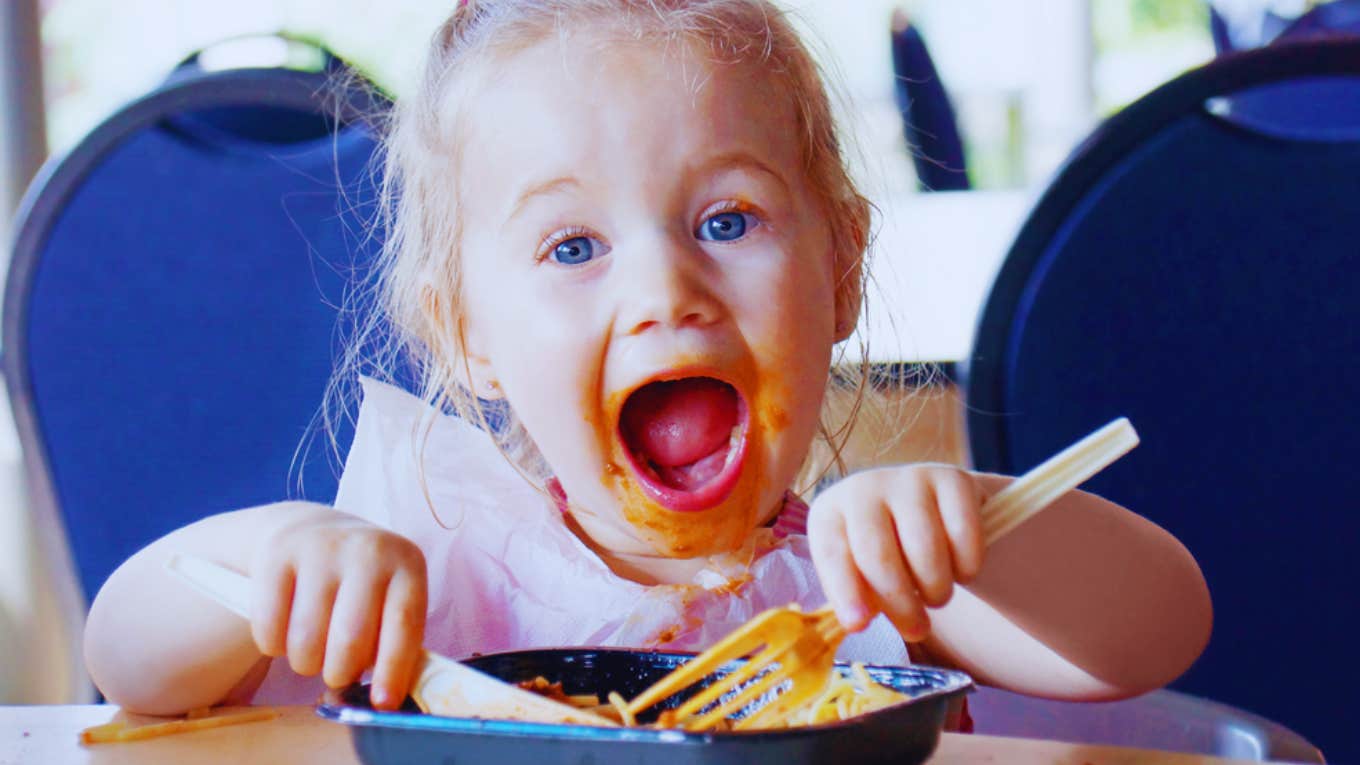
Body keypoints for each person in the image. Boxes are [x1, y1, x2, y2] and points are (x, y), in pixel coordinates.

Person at [83, 0, 1212, 718]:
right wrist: (281, 555)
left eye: (727, 221)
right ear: (466, 332)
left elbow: (1154, 634)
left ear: (841, 271)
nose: (665, 292)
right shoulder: (425, 574)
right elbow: (126, 668)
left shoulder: (863, 580)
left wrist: (966, 524)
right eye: (573, 246)